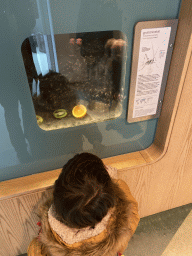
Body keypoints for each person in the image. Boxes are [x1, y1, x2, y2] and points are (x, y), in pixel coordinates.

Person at [27, 153, 140, 256]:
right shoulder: (120, 225)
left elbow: (34, 251)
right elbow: (133, 213)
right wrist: (113, 181)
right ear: (110, 199)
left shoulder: (48, 238)